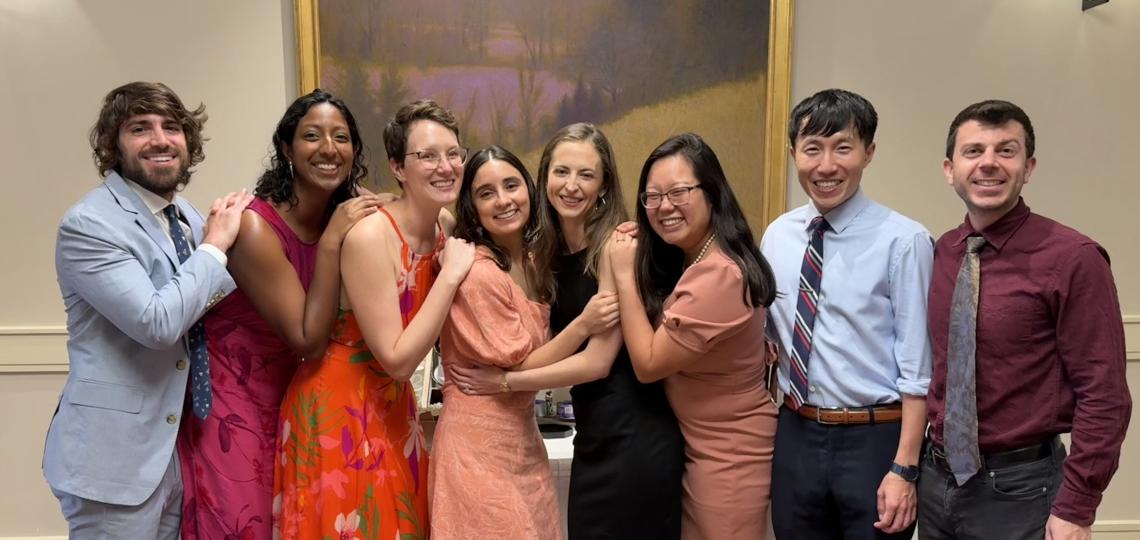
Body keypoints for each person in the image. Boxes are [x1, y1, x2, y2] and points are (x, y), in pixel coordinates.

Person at [448, 123, 684, 540]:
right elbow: (456, 212)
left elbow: (596, 362)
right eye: (561, 172)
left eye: (586, 175)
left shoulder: (614, 246)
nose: (571, 186)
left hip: (634, 437)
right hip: (593, 439)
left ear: (605, 184)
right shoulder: (550, 254)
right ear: (544, 178)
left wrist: (505, 382)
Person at [43, 81, 251, 538]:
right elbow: (157, 323)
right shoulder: (90, 224)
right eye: (140, 128)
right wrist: (216, 245)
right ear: (113, 146)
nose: (160, 139)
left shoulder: (188, 217)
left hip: (176, 452)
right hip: (114, 462)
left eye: (171, 127)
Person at [919, 99, 1131, 540]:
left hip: (1022, 490)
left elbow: (1104, 393)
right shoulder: (944, 252)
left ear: (1028, 167)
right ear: (949, 168)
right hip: (936, 483)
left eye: (1006, 150)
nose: (989, 164)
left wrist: (1077, 506)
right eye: (973, 151)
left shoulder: (1074, 259)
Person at [177, 89, 380, 539]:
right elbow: (306, 339)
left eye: (341, 138)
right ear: (287, 149)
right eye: (312, 136)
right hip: (236, 410)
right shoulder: (254, 226)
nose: (329, 148)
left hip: (301, 405)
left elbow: (420, 220)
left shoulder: (343, 214)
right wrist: (330, 243)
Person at [273, 99, 475, 540]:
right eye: (427, 156)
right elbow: (397, 360)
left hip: (393, 407)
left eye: (453, 153)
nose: (445, 166)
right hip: (339, 408)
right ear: (399, 168)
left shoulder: (444, 223)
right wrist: (452, 275)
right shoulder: (369, 236)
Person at [760, 88, 933, 539]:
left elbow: (920, 369)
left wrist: (905, 469)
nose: (826, 166)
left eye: (843, 147)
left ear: (869, 152)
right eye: (812, 149)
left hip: (874, 440)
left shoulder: (905, 241)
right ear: (793, 152)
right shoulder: (777, 236)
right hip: (795, 430)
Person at [429, 145, 619, 539]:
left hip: (523, 441)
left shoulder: (534, 259)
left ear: (530, 191)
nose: (503, 201)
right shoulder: (478, 273)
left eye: (512, 185)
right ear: (473, 206)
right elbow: (519, 363)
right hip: (477, 447)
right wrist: (583, 325)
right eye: (486, 193)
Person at [608, 133, 778, 539]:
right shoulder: (694, 260)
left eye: (679, 192)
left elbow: (649, 364)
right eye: (653, 196)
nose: (664, 206)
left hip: (729, 456)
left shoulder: (718, 274)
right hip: (699, 447)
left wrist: (621, 272)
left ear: (713, 192)